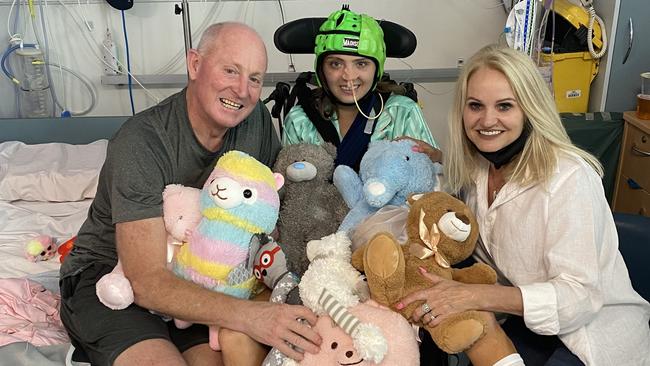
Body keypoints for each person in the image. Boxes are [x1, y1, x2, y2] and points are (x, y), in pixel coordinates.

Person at [59, 22, 322, 366]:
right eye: (230, 70)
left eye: (255, 79)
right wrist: (249, 316)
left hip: (204, 273)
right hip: (115, 277)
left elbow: (265, 215)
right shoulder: (141, 142)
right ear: (195, 64)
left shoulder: (255, 120)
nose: (242, 90)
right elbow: (146, 281)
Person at [397, 44, 650, 365]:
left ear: (530, 109)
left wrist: (472, 296)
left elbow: (579, 298)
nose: (487, 120)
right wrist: (436, 158)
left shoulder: (569, 178)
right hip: (525, 321)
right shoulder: (476, 169)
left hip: (592, 333)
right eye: (475, 105)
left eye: (505, 106)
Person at [281, 6, 441, 168]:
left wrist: (439, 157)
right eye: (335, 64)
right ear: (321, 69)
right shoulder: (299, 121)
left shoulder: (402, 112)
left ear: (377, 69)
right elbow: (290, 187)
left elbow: (431, 179)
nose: (349, 76)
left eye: (361, 63)